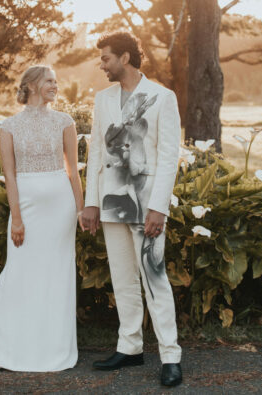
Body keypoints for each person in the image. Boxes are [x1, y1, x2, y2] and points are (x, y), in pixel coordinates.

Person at [80, 31, 183, 387]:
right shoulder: (103, 98)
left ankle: (170, 355)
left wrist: (159, 207)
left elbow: (169, 155)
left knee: (154, 279)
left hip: (146, 202)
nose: (102, 64)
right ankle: (130, 346)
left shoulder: (162, 97)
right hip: (110, 201)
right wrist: (90, 202)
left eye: (106, 58)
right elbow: (96, 152)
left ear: (125, 58)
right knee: (123, 278)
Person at [0, 65, 84, 371]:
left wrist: (80, 210)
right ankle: (13, 344)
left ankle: (54, 346)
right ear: (33, 85)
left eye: (56, 80)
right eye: (50, 81)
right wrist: (17, 218)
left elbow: (73, 171)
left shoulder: (65, 122)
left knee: (56, 274)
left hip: (61, 209)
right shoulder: (9, 126)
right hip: (26, 207)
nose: (56, 85)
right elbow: (9, 175)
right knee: (20, 271)